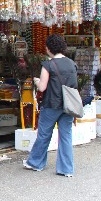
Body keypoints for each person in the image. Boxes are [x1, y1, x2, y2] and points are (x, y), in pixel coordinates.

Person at [24, 34, 77, 177]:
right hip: (68, 106)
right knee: (66, 136)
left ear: (48, 48)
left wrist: (36, 81)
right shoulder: (72, 64)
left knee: (44, 135)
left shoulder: (48, 64)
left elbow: (42, 87)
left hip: (52, 105)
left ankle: (35, 163)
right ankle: (66, 169)